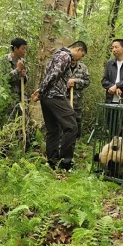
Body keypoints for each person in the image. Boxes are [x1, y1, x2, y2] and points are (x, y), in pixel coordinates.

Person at [31, 41, 87, 171]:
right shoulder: (65, 56)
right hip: (55, 96)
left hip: (47, 97)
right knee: (72, 127)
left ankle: (52, 162)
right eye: (82, 55)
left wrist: (41, 91)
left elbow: (49, 74)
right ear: (78, 49)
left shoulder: (57, 54)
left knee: (53, 130)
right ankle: (65, 163)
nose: (80, 58)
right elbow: (53, 75)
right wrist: (40, 90)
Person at [67, 60, 90, 138]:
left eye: (74, 60)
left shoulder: (83, 67)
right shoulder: (63, 66)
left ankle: (76, 139)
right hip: (64, 98)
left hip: (77, 99)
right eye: (71, 59)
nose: (73, 61)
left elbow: (87, 82)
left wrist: (75, 81)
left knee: (77, 119)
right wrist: (67, 83)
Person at [7, 38, 28, 121]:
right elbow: (4, 79)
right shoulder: (5, 60)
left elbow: (26, 79)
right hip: (10, 97)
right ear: (15, 48)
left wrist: (24, 75)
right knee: (10, 121)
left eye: (25, 49)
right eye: (23, 48)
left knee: (24, 120)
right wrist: (17, 70)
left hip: (22, 96)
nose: (25, 51)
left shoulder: (23, 61)